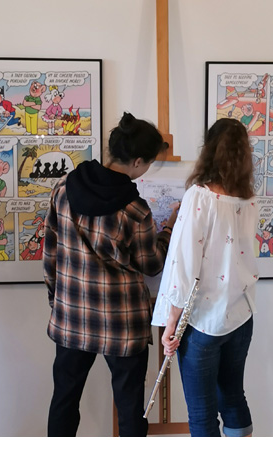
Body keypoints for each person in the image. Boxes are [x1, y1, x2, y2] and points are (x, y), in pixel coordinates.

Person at [43, 112, 178, 437]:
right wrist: (169, 229)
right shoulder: (135, 209)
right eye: (149, 164)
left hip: (72, 317)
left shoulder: (64, 188)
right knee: (130, 409)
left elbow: (50, 254)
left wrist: (57, 302)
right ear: (137, 161)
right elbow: (152, 264)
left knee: (64, 400)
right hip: (122, 323)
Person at [151, 118, 259, 437]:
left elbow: (184, 266)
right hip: (241, 314)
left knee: (202, 412)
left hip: (202, 322)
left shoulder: (199, 196)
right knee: (233, 396)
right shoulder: (249, 199)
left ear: (209, 149)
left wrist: (171, 323)